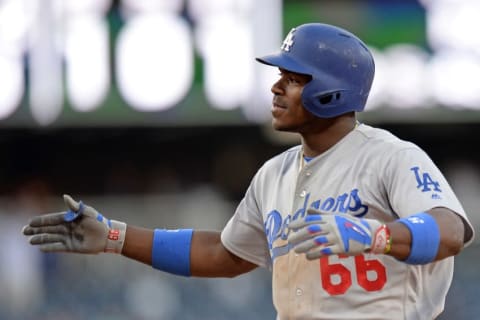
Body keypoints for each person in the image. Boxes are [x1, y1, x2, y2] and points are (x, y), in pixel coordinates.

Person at [22, 23, 475, 320]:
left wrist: (374, 235)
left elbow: (450, 230)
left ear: (333, 92)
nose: (276, 87)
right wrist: (117, 238)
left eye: (294, 79)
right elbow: (227, 254)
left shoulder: (390, 156)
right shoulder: (274, 174)